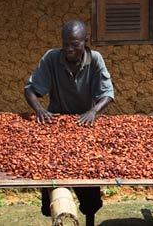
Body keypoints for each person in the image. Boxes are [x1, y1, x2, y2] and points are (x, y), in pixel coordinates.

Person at [24, 20, 114, 226]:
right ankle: (57, 220)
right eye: (66, 44)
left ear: (85, 42)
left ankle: (90, 218)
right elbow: (30, 90)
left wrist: (93, 111)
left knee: (88, 178)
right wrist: (39, 109)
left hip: (85, 124)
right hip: (56, 124)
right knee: (52, 177)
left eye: (75, 44)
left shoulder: (95, 59)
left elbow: (108, 94)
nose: (69, 49)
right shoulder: (52, 58)